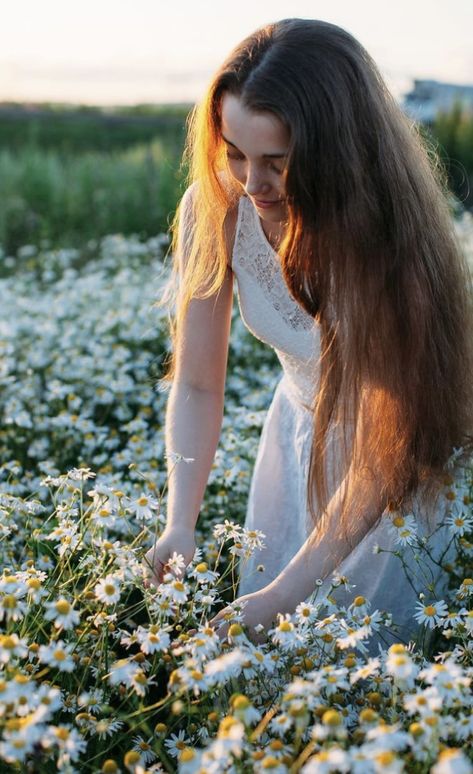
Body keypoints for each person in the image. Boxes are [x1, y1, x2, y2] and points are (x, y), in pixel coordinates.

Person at [144, 18, 473, 646]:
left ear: (335, 153)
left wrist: (281, 595)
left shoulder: (389, 243)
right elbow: (196, 385)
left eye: (277, 163)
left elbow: (385, 444)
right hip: (294, 440)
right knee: (270, 672)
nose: (251, 184)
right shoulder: (214, 209)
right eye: (235, 152)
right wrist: (179, 522)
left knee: (363, 675)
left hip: (395, 469)